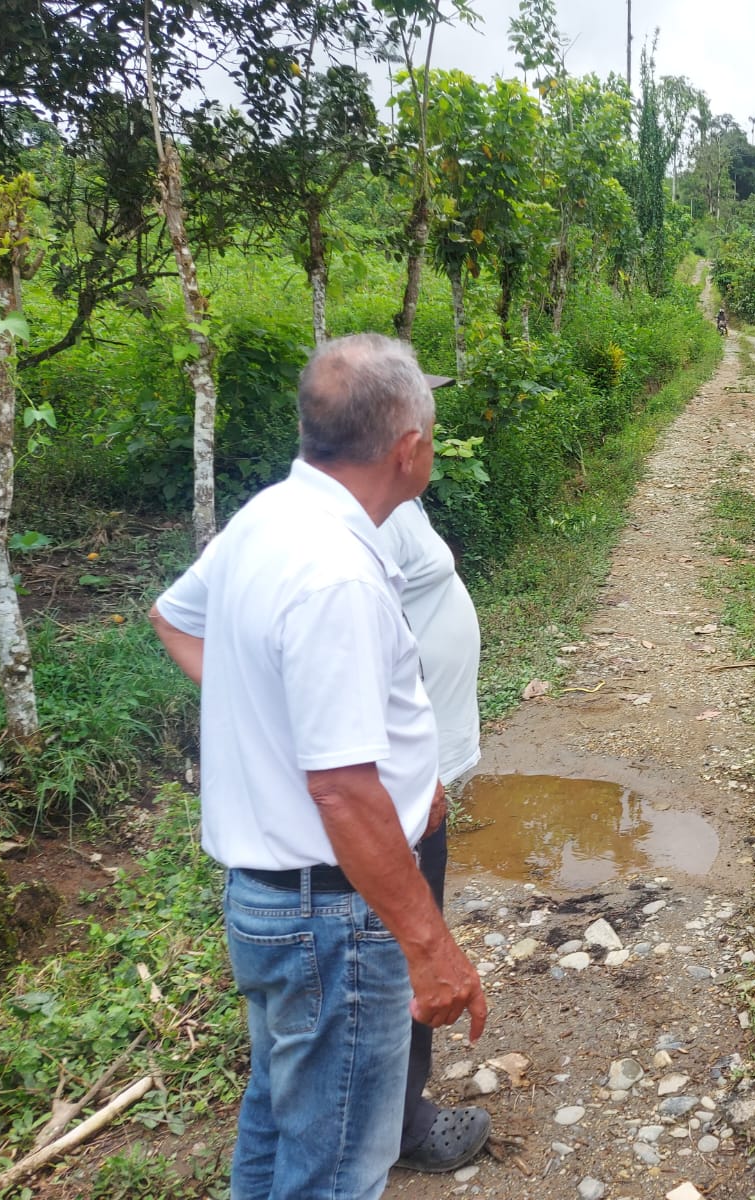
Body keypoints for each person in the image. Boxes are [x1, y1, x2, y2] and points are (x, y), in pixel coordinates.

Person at [150, 333, 488, 1200]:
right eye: (431, 436)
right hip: (332, 917)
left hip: (273, 905)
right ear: (407, 449)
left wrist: (272, 715)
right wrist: (431, 947)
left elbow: (174, 617)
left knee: (277, 1127)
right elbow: (340, 788)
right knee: (335, 1170)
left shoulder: (269, 517)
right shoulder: (339, 575)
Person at [380, 373, 491, 1174]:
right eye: (427, 416)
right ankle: (399, 1125)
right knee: (401, 944)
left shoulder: (391, 504)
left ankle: (387, 1109)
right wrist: (411, 769)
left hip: (414, 782)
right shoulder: (362, 527)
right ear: (403, 439)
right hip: (398, 795)